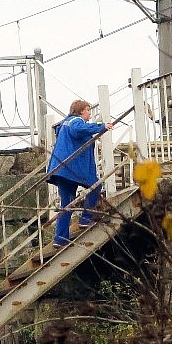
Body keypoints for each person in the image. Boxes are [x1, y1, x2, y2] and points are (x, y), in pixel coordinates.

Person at [47, 99, 109, 246]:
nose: (89, 113)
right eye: (88, 110)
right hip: (72, 169)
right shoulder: (76, 121)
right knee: (96, 186)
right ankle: (86, 219)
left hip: (61, 170)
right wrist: (101, 126)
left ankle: (60, 239)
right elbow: (79, 130)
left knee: (67, 203)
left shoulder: (65, 124)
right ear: (81, 111)